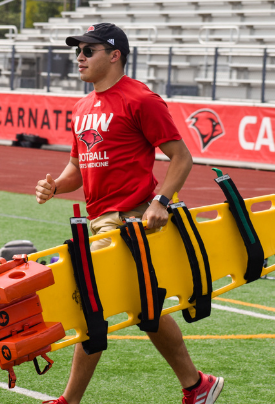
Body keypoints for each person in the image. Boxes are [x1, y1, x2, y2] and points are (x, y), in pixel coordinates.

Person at [34, 23, 224, 404]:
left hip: (128, 221)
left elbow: (181, 158)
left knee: (93, 305)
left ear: (114, 54)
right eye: (78, 51)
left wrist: (161, 201)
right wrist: (55, 185)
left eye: (88, 50)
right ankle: (197, 386)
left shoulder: (141, 99)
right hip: (99, 220)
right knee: (145, 309)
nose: (80, 58)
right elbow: (77, 170)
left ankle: (69, 400)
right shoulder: (82, 106)